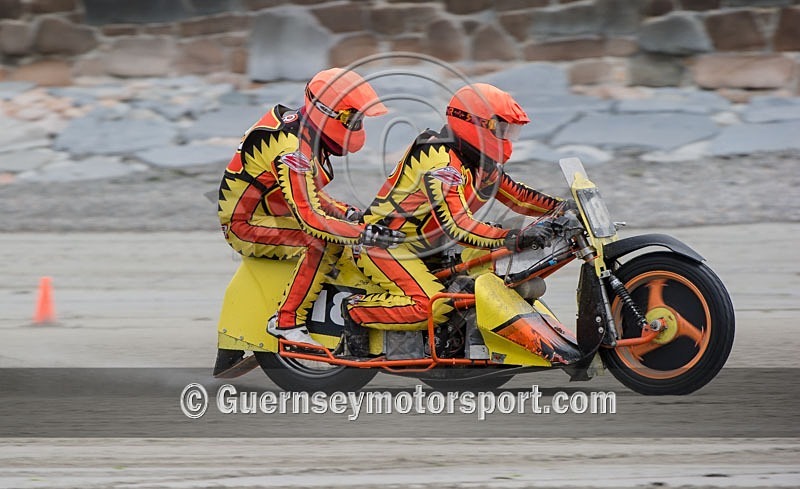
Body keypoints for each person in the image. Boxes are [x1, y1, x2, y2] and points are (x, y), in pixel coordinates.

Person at [341, 83, 567, 351]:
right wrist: (513, 237)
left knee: (494, 267)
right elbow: (457, 226)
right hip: (386, 244)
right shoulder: (439, 161)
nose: (507, 138)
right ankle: (355, 312)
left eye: (510, 131)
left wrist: (565, 207)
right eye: (501, 130)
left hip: (430, 247)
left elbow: (519, 197)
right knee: (434, 306)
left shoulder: (479, 162)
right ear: (474, 123)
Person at [213, 68, 400, 376]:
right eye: (353, 121)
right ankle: (286, 322)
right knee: (321, 242)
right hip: (245, 224)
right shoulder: (292, 151)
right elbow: (310, 218)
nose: (358, 127)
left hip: (274, 211)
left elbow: (304, 194)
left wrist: (350, 215)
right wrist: (362, 232)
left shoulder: (306, 136)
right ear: (328, 115)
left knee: (345, 225)